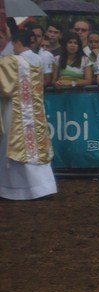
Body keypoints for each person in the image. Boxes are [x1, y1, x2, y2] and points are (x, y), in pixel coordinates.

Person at [0, 26, 57, 200]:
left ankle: (15, 189)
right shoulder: (38, 59)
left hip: (16, 110)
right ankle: (43, 186)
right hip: (35, 109)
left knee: (15, 147)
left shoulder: (13, 61)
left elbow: (5, 88)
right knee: (37, 148)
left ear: (17, 42)